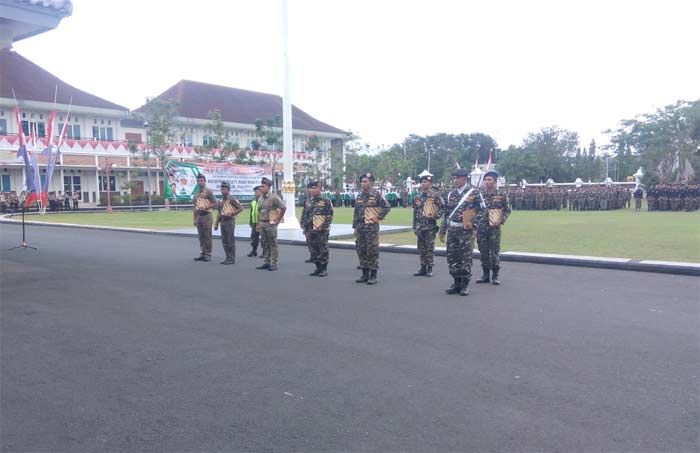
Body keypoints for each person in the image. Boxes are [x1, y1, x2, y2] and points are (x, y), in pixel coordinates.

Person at [438, 168, 483, 296]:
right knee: (452, 257)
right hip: (452, 229)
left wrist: (473, 224)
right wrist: (442, 231)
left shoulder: (474, 193)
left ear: (465, 178)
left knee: (465, 258)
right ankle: (456, 282)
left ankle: (464, 284)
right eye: (454, 178)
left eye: (458, 178)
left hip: (466, 231)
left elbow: (482, 211)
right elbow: (447, 214)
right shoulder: (450, 194)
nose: (455, 180)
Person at [352, 173, 391, 285]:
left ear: (371, 182)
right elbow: (356, 213)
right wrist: (355, 227)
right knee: (361, 249)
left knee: (372, 250)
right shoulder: (359, 196)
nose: (363, 183)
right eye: (362, 181)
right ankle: (364, 274)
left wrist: (378, 217)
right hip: (360, 228)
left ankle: (373, 275)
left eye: (365, 181)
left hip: (371, 228)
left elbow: (387, 206)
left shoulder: (376, 194)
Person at [475, 171, 511, 286]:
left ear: (495, 181)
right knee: (483, 252)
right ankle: (485, 275)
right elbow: (473, 209)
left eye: (489, 180)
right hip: (481, 227)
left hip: (494, 228)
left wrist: (501, 219)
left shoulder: (501, 194)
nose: (487, 182)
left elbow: (507, 210)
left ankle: (495, 275)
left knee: (494, 252)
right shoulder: (479, 194)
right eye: (485, 180)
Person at [412, 174, 444, 277]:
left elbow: (443, 207)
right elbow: (415, 212)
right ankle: (422, 267)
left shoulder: (435, 196)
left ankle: (429, 267)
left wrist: (436, 216)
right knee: (421, 248)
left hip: (430, 226)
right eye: (422, 182)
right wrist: (414, 226)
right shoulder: (418, 196)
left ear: (430, 184)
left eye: (425, 182)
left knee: (429, 247)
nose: (423, 184)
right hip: (420, 226)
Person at [300, 181, 334, 277]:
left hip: (321, 230)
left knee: (323, 249)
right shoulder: (308, 201)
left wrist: (324, 226)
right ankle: (318, 268)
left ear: (320, 189)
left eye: (316, 188)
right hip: (310, 230)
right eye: (312, 188)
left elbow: (330, 215)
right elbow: (304, 215)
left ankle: (324, 269)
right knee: (313, 250)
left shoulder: (326, 200)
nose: (313, 190)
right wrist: (304, 227)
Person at [256, 177, 286, 271]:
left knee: (273, 244)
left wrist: (278, 219)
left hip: (271, 224)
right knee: (265, 243)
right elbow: (259, 212)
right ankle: (267, 262)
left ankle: (274, 263)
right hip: (262, 223)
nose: (261, 188)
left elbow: (283, 208)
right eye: (261, 186)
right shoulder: (260, 198)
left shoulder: (274, 197)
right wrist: (258, 224)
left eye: (263, 186)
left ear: (268, 187)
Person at [214, 181, 243, 265]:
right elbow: (219, 213)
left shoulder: (231, 199)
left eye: (224, 189)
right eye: (221, 189)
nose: (222, 190)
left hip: (229, 221)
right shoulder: (220, 200)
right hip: (223, 221)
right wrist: (216, 223)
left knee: (230, 240)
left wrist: (233, 213)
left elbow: (241, 208)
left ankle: (231, 258)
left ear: (228, 189)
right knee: (224, 241)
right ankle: (227, 257)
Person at [192, 174, 217, 262]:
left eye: (202, 180)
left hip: (207, 215)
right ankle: (202, 253)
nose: (200, 182)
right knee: (201, 236)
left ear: (205, 181)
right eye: (198, 181)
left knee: (207, 236)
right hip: (199, 216)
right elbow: (195, 207)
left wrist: (206, 207)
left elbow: (215, 203)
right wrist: (194, 219)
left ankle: (208, 254)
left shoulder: (208, 192)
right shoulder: (196, 193)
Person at [248, 186, 262, 257]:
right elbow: (251, 212)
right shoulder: (253, 201)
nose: (255, 193)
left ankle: (265, 252)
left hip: (262, 222)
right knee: (253, 237)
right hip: (254, 222)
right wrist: (250, 221)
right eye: (255, 192)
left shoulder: (263, 200)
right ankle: (254, 250)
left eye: (256, 192)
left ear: (261, 192)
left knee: (264, 238)